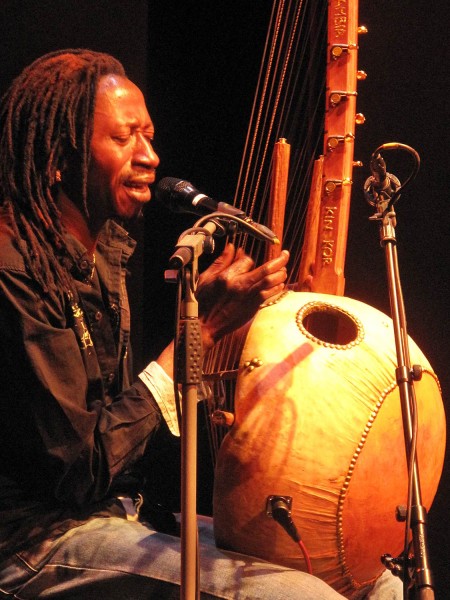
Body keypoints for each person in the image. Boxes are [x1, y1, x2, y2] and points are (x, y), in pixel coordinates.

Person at [0, 49, 403, 599]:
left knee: (371, 581)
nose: (150, 157)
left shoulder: (104, 255)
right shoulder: (13, 268)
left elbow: (127, 438)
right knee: (300, 595)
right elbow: (77, 469)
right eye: (124, 139)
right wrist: (200, 333)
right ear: (58, 158)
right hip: (35, 540)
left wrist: (213, 336)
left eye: (148, 136)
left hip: (123, 514)